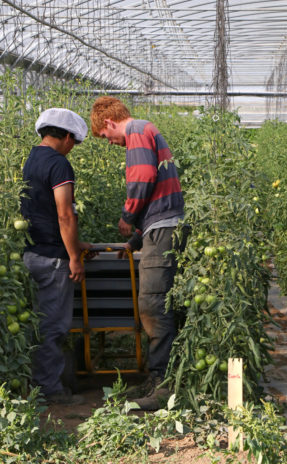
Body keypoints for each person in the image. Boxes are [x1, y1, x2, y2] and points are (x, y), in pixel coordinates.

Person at [90, 96, 184, 410]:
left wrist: (127, 217)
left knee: (153, 305)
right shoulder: (144, 132)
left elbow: (143, 178)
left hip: (163, 229)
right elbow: (158, 195)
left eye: (105, 136)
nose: (109, 142)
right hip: (159, 227)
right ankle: (157, 377)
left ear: (108, 122)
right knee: (156, 303)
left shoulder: (138, 133)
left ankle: (162, 385)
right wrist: (135, 242)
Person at [21, 108, 90, 405]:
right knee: (53, 325)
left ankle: (38, 384)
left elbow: (43, 211)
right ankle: (49, 391)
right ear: (64, 136)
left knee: (36, 322)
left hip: (32, 253)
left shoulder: (30, 160)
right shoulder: (58, 164)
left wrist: (78, 243)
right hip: (53, 258)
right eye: (73, 141)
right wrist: (74, 256)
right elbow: (64, 215)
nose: (72, 147)